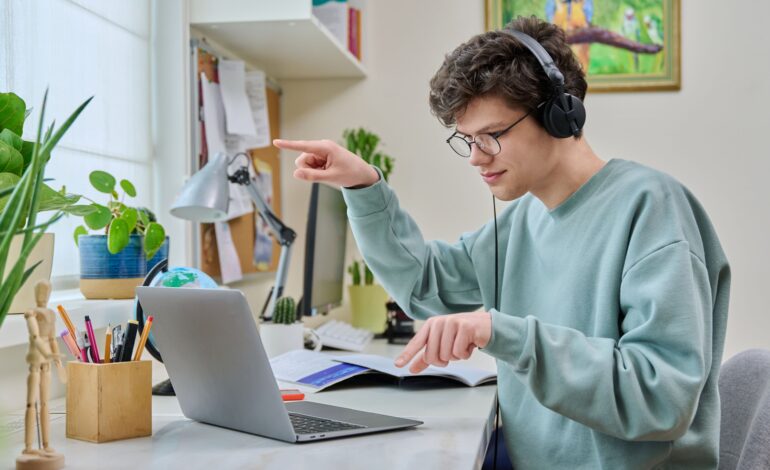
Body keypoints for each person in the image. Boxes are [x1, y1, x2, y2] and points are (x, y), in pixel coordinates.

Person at [273, 15, 730, 470]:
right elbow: (425, 284)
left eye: (490, 136)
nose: (474, 158)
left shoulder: (651, 209)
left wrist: (501, 331)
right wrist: (364, 186)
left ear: (559, 113)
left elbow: (660, 398)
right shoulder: (523, 221)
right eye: (467, 139)